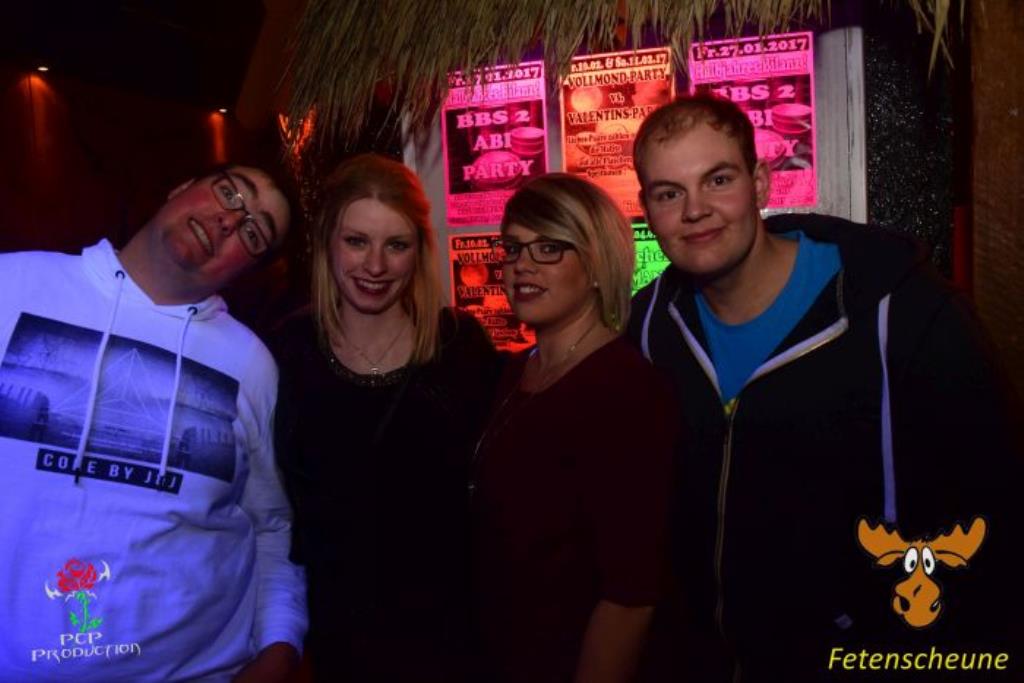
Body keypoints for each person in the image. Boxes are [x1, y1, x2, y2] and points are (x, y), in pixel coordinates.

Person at [628, 93, 1023, 681]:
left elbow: (995, 512)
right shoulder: (651, 325)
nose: (695, 210)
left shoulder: (901, 313)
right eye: (668, 193)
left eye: (718, 179)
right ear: (647, 209)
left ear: (760, 183)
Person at [0, 165, 307, 681]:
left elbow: (271, 525)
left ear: (247, 269)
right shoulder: (13, 285)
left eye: (255, 233)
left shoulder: (251, 364)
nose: (231, 220)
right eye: (230, 192)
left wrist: (280, 646)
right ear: (181, 186)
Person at [271, 153, 500, 682]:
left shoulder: (460, 347)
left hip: (452, 637)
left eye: (396, 245)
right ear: (327, 241)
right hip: (333, 639)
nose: (375, 266)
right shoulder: (288, 348)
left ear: (419, 250)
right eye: (357, 241)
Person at [473, 173, 677, 683]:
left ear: (596, 265)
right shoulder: (515, 371)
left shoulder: (626, 389)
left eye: (549, 248)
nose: (522, 265)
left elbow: (630, 594)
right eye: (513, 248)